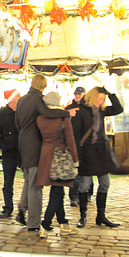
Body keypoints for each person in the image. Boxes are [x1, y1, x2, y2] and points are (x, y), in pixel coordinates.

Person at [15, 74, 70, 232]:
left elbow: (17, 123)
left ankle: (22, 207)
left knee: (28, 181)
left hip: (23, 146)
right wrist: (66, 114)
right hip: (34, 147)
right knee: (35, 186)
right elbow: (48, 114)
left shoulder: (22, 100)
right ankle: (33, 223)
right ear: (43, 85)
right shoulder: (38, 100)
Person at [72, 86, 124, 228]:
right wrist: (77, 155)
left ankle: (101, 216)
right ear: (92, 97)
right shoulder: (81, 111)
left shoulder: (102, 110)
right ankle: (83, 215)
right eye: (99, 98)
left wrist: (110, 94)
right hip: (87, 153)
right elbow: (75, 135)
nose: (101, 101)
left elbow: (119, 109)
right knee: (85, 185)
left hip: (102, 152)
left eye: (103, 99)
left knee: (105, 183)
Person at [36, 92, 78, 237]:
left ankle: (63, 223)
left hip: (45, 155)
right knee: (57, 191)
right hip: (60, 157)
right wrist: (75, 159)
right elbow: (70, 141)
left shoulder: (40, 118)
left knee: (58, 190)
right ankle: (45, 224)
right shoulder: (63, 119)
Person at [0, 89, 21, 219]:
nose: (21, 98)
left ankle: (26, 207)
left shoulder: (23, 112)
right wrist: (5, 145)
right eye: (18, 96)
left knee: (29, 181)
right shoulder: (1, 114)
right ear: (12, 99)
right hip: (9, 153)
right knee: (8, 182)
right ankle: (8, 207)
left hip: (24, 152)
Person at [66, 86, 86, 207]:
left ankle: (86, 193)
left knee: (85, 170)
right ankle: (74, 196)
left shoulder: (87, 108)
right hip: (73, 142)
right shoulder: (69, 109)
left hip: (84, 143)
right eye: (76, 95)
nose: (78, 97)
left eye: (80, 94)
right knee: (75, 171)